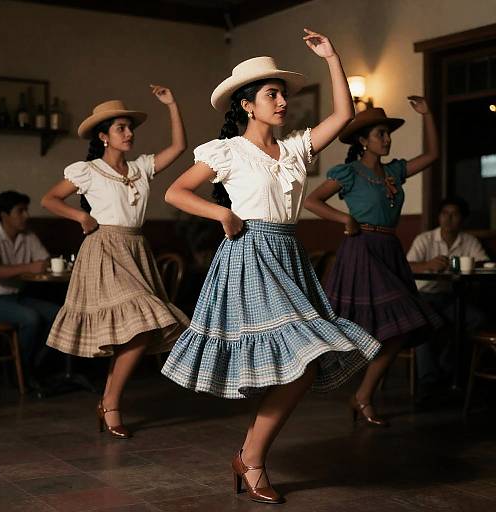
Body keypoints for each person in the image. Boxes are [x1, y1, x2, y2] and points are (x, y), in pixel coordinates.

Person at [161, 30, 381, 504]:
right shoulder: (226, 151)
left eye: (282, 93)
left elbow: (344, 115)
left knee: (301, 361)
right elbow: (175, 192)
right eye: (271, 94)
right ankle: (253, 459)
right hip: (248, 257)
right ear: (247, 106)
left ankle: (250, 456)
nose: (282, 102)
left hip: (288, 255)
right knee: (295, 363)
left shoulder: (297, 148)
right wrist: (221, 213)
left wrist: (332, 57)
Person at [41, 87, 189, 438]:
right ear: (103, 136)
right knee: (140, 327)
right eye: (120, 128)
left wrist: (172, 104)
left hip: (136, 250)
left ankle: (109, 400)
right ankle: (111, 403)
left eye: (129, 127)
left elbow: (179, 147)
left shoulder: (141, 168)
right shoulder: (87, 171)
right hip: (104, 250)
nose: (128, 133)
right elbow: (49, 199)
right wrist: (80, 218)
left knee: (137, 329)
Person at [304, 100, 442, 426]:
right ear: (364, 141)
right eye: (381, 134)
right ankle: (353, 392)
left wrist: (429, 115)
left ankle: (362, 395)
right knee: (388, 327)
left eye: (388, 134)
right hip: (362, 250)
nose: (387, 139)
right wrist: (344, 217)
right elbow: (312, 200)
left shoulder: (394, 171)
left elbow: (433, 155)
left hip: (389, 250)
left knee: (399, 327)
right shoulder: (349, 173)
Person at [407, 196, 488, 395]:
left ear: (463, 218)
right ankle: (428, 380)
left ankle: (448, 368)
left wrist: (466, 266)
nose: (449, 218)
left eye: (454, 214)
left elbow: (483, 263)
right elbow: (406, 266)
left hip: (452, 298)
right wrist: (428, 265)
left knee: (477, 319)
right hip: (423, 295)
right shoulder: (425, 239)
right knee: (423, 322)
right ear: (438, 217)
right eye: (445, 213)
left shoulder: (468, 240)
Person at [0, 190, 59, 389]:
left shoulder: (28, 235)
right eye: (20, 211)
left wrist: (37, 266)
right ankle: (21, 372)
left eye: (26, 210)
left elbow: (44, 261)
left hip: (18, 297)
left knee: (59, 315)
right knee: (31, 318)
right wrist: (28, 267)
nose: (26, 215)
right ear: (4, 215)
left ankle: (32, 366)